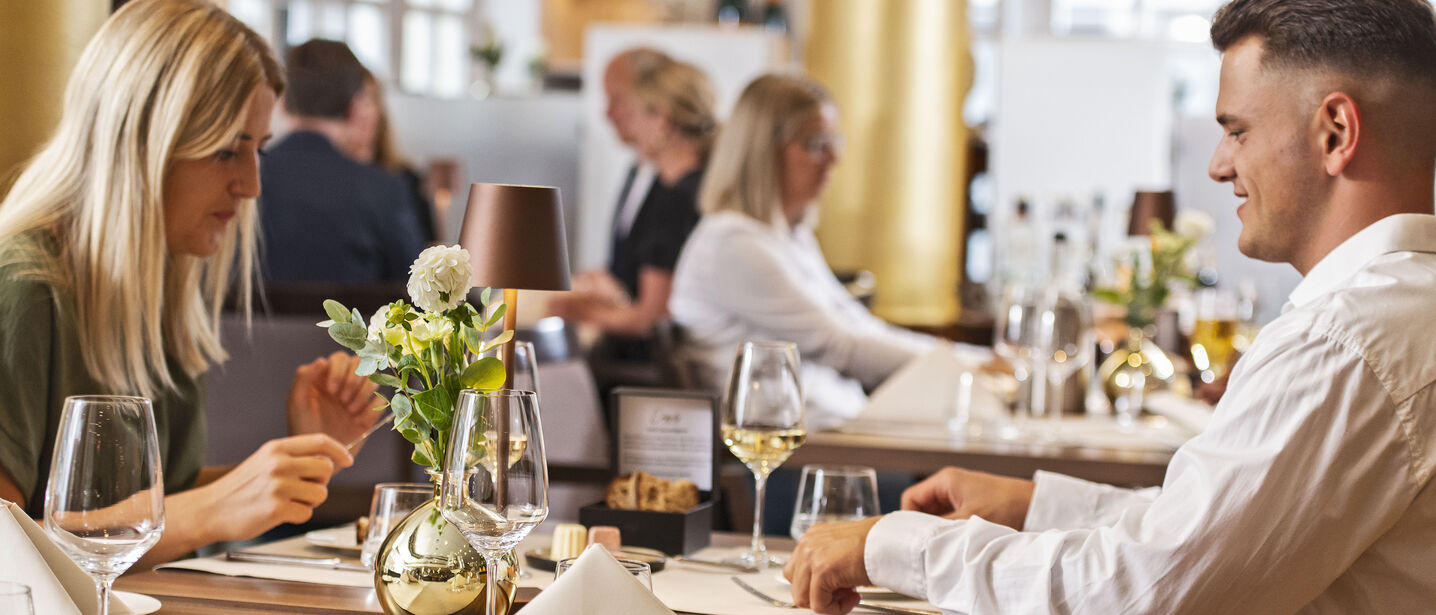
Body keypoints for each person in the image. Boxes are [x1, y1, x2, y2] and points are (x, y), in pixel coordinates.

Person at [784, 0, 1436, 612]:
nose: (1217, 165)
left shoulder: (1346, 339)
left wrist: (895, 546)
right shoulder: (1402, 309)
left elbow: (1153, 585)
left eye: (1237, 131)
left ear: (1336, 132)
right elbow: (1211, 527)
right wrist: (1037, 504)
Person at [0, 0, 383, 568]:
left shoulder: (158, 288)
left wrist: (297, 465)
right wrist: (213, 510)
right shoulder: (22, 286)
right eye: (227, 149)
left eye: (259, 148)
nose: (252, 185)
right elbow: (7, 553)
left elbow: (140, 507)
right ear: (140, 141)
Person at [668, 74, 938, 428]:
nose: (834, 157)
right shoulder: (733, 243)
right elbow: (840, 347)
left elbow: (860, 326)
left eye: (834, 140)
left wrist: (969, 361)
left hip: (836, 427)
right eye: (816, 143)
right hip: (791, 453)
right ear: (764, 152)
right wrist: (966, 369)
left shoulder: (787, 234)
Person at [551, 58, 715, 347]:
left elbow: (652, 318)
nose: (632, 127)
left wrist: (578, 310)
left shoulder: (676, 199)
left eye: (636, 114)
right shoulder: (698, 186)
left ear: (662, 120)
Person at [259, 39, 427, 283]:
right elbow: (423, 298)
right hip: (355, 322)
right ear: (353, 106)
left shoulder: (246, 181)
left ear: (283, 101)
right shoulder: (383, 190)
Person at [355, 72, 438, 245]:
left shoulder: (406, 178)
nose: (361, 111)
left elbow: (427, 247)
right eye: (353, 100)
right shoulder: (331, 182)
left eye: (368, 100)